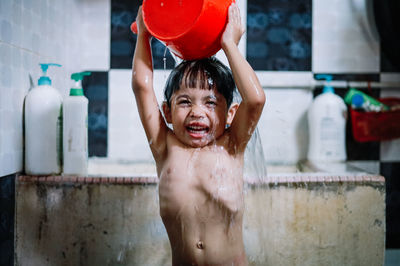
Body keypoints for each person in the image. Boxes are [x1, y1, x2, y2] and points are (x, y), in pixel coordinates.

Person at [132, 3, 265, 265]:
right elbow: (141, 87)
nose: (197, 112)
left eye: (210, 102)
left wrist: (230, 45)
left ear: (230, 114)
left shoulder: (232, 145)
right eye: (184, 102)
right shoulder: (164, 146)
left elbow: (256, 99)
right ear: (167, 112)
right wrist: (143, 34)